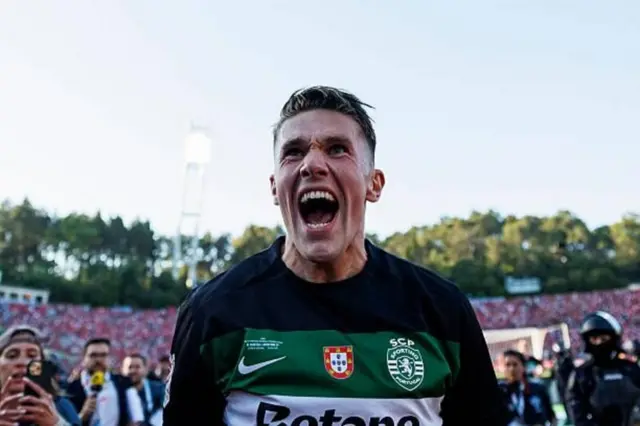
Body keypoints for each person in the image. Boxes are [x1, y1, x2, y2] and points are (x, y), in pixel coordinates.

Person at [163, 86, 505, 425]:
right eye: (293, 152)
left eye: (337, 149)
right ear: (275, 187)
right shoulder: (214, 310)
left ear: (374, 184)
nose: (312, 164)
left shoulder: (442, 310)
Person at [566, 311, 640, 426]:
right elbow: (575, 406)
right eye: (594, 339)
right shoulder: (583, 373)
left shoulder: (630, 367)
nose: (599, 343)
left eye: (604, 338)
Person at [0, 325, 80, 426]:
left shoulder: (62, 406)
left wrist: (57, 423)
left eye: (32, 355)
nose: (23, 362)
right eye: (12, 355)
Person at [66, 338, 144, 426]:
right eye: (93, 355)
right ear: (84, 358)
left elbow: (136, 418)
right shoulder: (72, 387)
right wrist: (82, 416)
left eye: (103, 355)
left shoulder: (123, 382)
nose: (98, 360)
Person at [499, 349, 557, 426]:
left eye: (515, 364)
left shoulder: (537, 388)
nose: (512, 369)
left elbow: (551, 416)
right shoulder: (501, 392)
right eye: (507, 365)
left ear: (523, 367)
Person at [121, 354, 164, 425]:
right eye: (129, 367)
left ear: (146, 369)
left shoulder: (159, 389)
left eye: (137, 367)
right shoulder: (117, 391)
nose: (133, 370)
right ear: (122, 370)